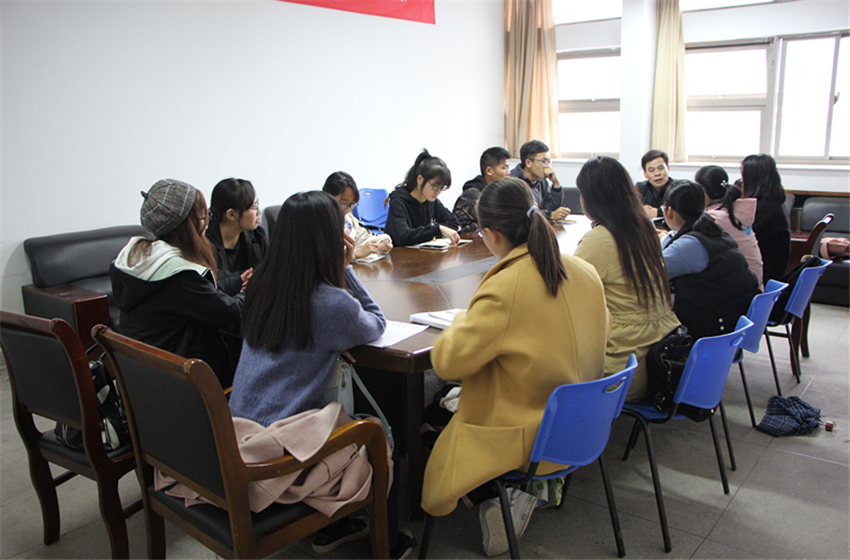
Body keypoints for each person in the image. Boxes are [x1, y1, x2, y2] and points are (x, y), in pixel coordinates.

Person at [421, 177, 610, 556]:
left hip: (532, 436)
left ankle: (498, 495)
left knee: (430, 415)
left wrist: (462, 320)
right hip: (585, 422)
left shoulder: (506, 286)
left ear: (491, 234)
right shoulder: (583, 270)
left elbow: (446, 362)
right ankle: (517, 495)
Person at [228, 190, 415, 558]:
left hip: (235, 431)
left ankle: (335, 525)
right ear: (329, 239)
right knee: (377, 434)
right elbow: (376, 323)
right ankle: (389, 544)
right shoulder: (330, 302)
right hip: (276, 454)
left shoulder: (262, 283)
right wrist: (345, 269)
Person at [111, 179, 244, 387]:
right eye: (202, 216)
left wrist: (237, 283)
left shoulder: (140, 258)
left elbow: (197, 297)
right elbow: (229, 312)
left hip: (145, 381)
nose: (206, 221)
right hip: (185, 385)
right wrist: (253, 290)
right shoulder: (178, 275)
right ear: (188, 224)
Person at [574, 156, 680, 402]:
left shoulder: (599, 240)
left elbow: (565, 293)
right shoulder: (645, 228)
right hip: (656, 359)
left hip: (622, 370)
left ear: (591, 198)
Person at [661, 180, 760, 340]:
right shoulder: (713, 229)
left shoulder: (688, 245)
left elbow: (647, 273)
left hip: (714, 327)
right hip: (734, 320)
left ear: (669, 211)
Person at [695, 165, 764, 290]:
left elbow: (691, 244)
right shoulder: (735, 209)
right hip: (754, 287)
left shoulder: (716, 218)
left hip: (741, 292)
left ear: (702, 191)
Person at [384, 149, 460, 247]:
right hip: (400, 254)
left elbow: (454, 224)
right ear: (420, 179)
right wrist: (436, 230)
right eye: (435, 186)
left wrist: (434, 234)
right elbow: (403, 236)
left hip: (424, 253)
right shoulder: (399, 202)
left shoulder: (432, 201)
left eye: (442, 187)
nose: (438, 191)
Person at [205, 178, 268, 296]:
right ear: (231, 214)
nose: (259, 212)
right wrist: (241, 279)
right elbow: (209, 282)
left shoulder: (257, 235)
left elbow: (269, 269)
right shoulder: (204, 241)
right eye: (254, 207)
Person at [741, 153, 791, 284]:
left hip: (765, 274)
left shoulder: (762, 208)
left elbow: (745, 239)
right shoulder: (774, 203)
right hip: (774, 270)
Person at [322, 171, 392, 258]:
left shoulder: (348, 219)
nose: (348, 209)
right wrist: (354, 254)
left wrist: (380, 244)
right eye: (343, 203)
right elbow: (324, 256)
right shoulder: (317, 222)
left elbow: (364, 238)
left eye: (352, 204)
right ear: (327, 197)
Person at [452, 147, 511, 232]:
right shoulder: (472, 194)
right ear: (489, 171)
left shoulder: (500, 192)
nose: (508, 172)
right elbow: (460, 227)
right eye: (504, 168)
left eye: (508, 168)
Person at [509, 140, 571, 221]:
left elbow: (553, 209)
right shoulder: (513, 182)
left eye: (549, 161)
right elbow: (522, 213)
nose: (548, 166)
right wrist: (549, 215)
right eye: (544, 161)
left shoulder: (541, 181)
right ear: (528, 163)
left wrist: (556, 183)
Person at [635, 149, 676, 219]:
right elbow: (630, 209)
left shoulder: (677, 188)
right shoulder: (640, 188)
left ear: (668, 169)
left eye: (660, 168)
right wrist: (640, 210)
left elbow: (682, 212)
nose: (657, 173)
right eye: (651, 170)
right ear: (645, 174)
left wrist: (658, 212)